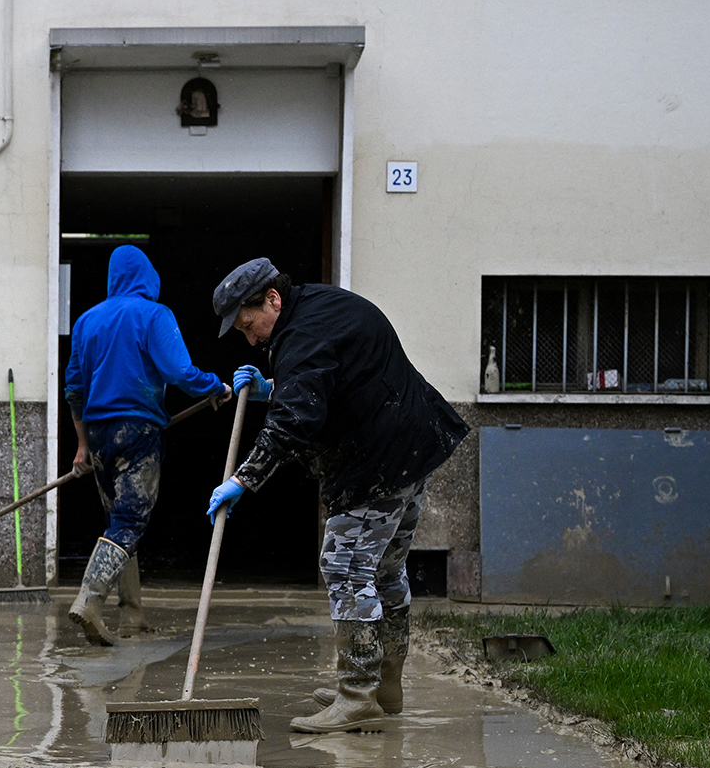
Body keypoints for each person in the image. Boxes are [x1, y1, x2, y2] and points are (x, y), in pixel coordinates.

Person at [206, 258, 468, 732]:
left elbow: (296, 419)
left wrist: (243, 480)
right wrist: (272, 388)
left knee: (346, 566)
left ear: (272, 298)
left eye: (250, 325)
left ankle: (357, 694)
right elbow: (326, 383)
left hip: (379, 460)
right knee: (385, 569)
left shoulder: (301, 336)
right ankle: (385, 685)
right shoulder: (320, 306)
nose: (251, 338)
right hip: (414, 446)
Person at [62, 245, 228, 645]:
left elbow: (74, 389)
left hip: (99, 434)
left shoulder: (87, 321)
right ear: (148, 276)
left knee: (118, 521)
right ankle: (89, 600)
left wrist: (83, 445)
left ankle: (132, 616)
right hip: (138, 430)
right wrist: (214, 386)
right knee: (130, 522)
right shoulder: (155, 315)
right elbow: (178, 371)